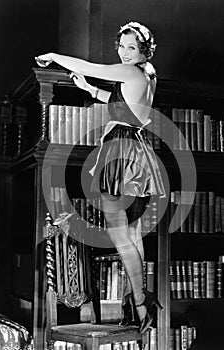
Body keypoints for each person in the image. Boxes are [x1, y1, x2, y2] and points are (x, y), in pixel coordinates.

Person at [35, 21, 165, 333]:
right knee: (131, 234)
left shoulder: (130, 71)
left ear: (143, 49)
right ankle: (140, 304)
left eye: (131, 47)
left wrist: (54, 55)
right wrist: (89, 90)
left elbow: (88, 65)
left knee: (120, 233)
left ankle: (141, 304)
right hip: (137, 148)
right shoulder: (147, 73)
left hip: (120, 150)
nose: (123, 53)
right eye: (121, 46)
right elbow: (125, 107)